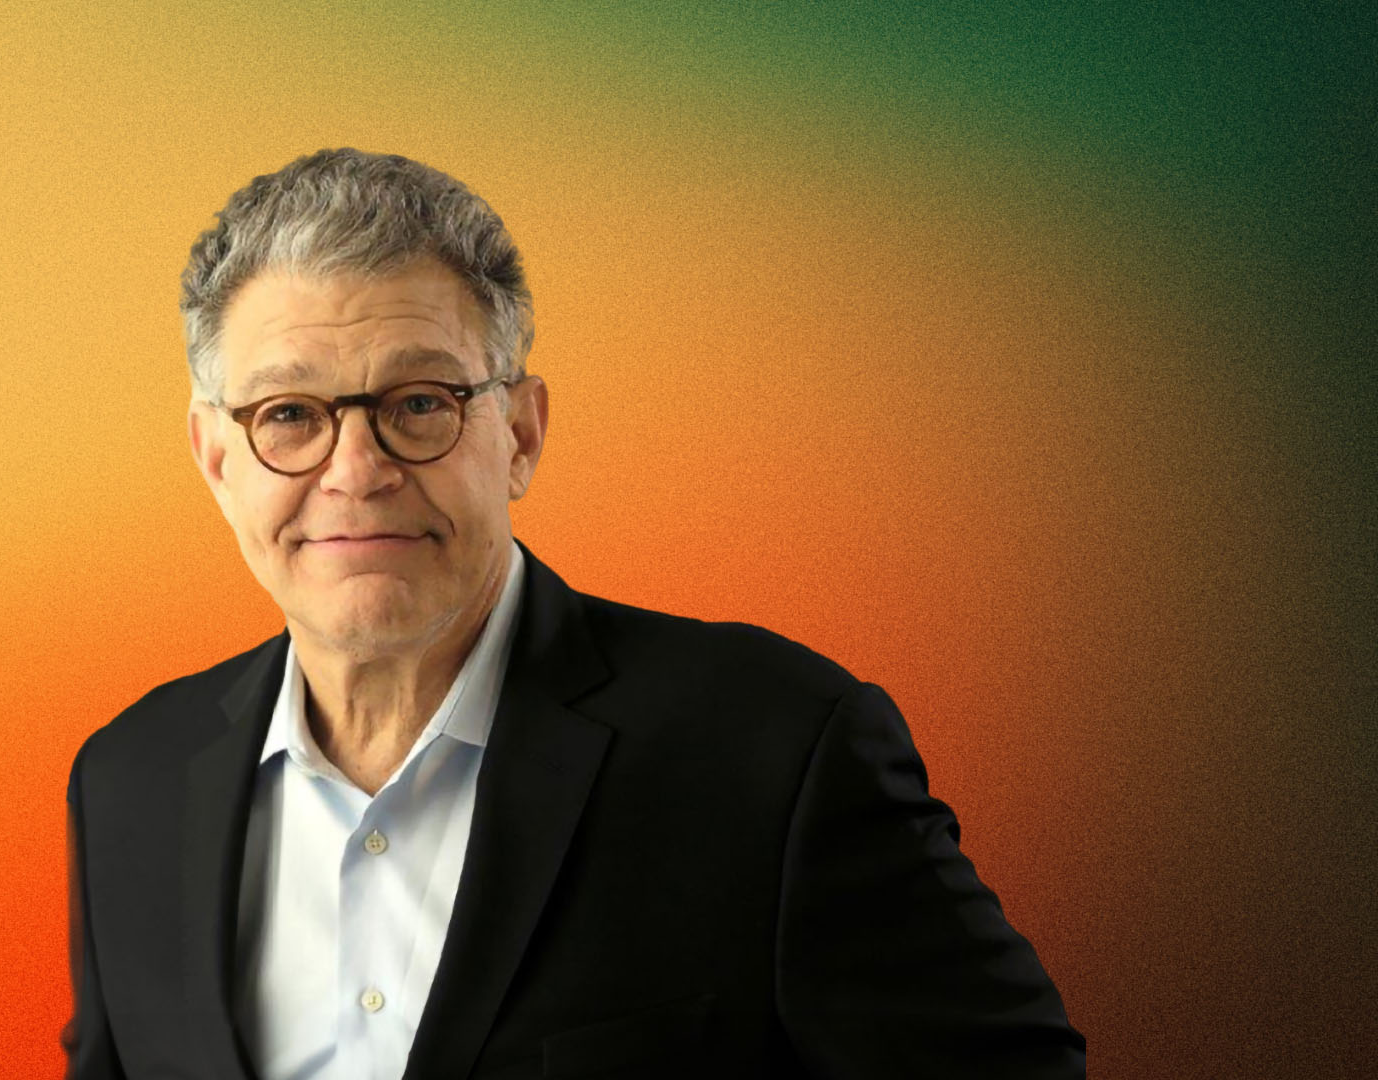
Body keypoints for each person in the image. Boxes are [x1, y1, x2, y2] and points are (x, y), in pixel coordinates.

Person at [62, 148, 1084, 1079]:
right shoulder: (129, 784)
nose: (357, 472)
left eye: (420, 402)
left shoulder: (776, 751)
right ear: (214, 458)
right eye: (289, 415)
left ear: (519, 432)